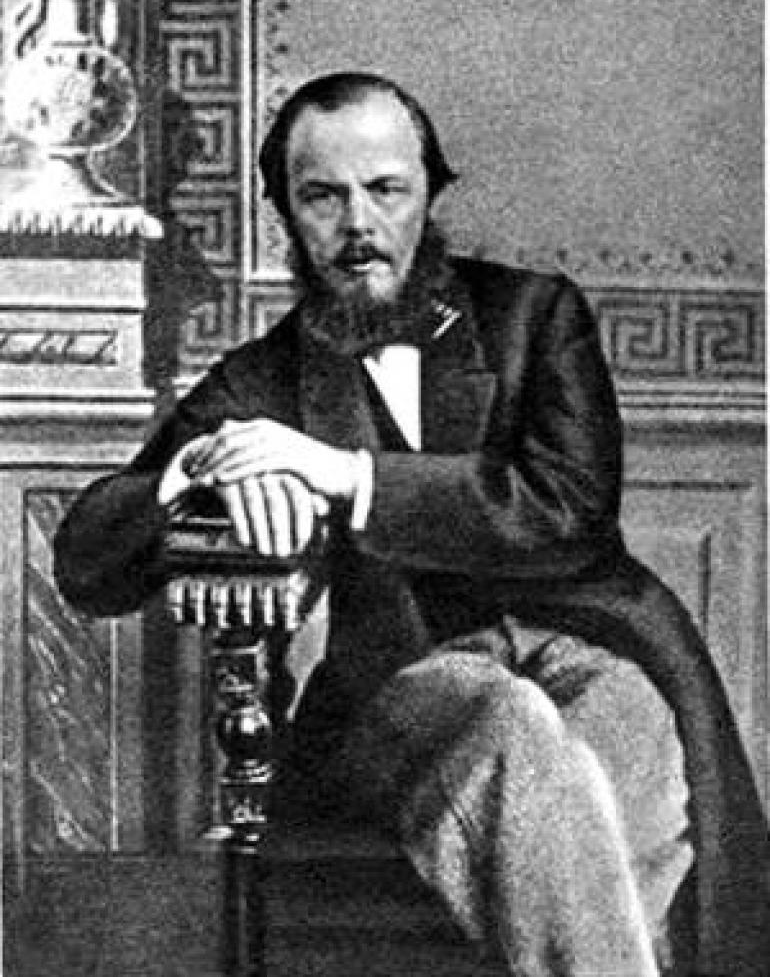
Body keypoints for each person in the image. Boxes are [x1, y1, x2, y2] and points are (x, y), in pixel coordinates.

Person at [55, 72, 769, 977]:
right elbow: (86, 561)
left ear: (429, 192)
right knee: (510, 723)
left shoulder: (535, 317)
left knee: (624, 748)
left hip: (595, 642)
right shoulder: (262, 382)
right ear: (286, 212)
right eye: (323, 197)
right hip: (404, 679)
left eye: (385, 189)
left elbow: (569, 509)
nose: (358, 224)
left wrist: (344, 474)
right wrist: (191, 467)